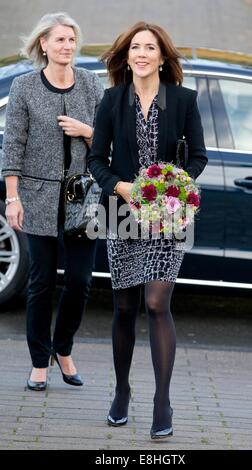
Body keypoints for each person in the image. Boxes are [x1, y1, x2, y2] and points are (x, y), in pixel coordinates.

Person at [88, 21, 208, 439]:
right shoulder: (110, 100)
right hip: (121, 212)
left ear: (162, 57)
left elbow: (199, 157)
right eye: (135, 47)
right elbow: (96, 159)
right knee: (124, 307)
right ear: (126, 57)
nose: (141, 53)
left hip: (169, 214)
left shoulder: (184, 99)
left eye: (150, 47)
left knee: (157, 303)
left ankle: (162, 400)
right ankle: (121, 391)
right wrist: (122, 187)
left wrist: (173, 184)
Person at [2, 12, 104, 391]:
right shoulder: (25, 87)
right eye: (60, 40)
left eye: (71, 40)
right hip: (38, 197)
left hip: (84, 198)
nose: (67, 47)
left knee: (80, 282)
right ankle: (39, 362)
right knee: (40, 283)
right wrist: (12, 197)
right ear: (43, 44)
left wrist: (87, 131)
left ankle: (63, 347)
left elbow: (107, 144)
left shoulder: (92, 85)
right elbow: (12, 147)